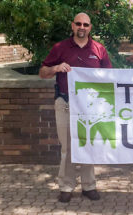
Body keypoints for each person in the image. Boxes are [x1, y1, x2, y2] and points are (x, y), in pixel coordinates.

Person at [39, 12, 112, 203]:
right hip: (65, 103)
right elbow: (42, 72)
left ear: (90, 27)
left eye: (85, 25)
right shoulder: (60, 48)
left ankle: (89, 186)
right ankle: (66, 186)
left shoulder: (99, 49)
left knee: (88, 144)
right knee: (68, 147)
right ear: (72, 26)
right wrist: (55, 68)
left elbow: (110, 77)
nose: (82, 27)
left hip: (90, 107)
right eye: (78, 24)